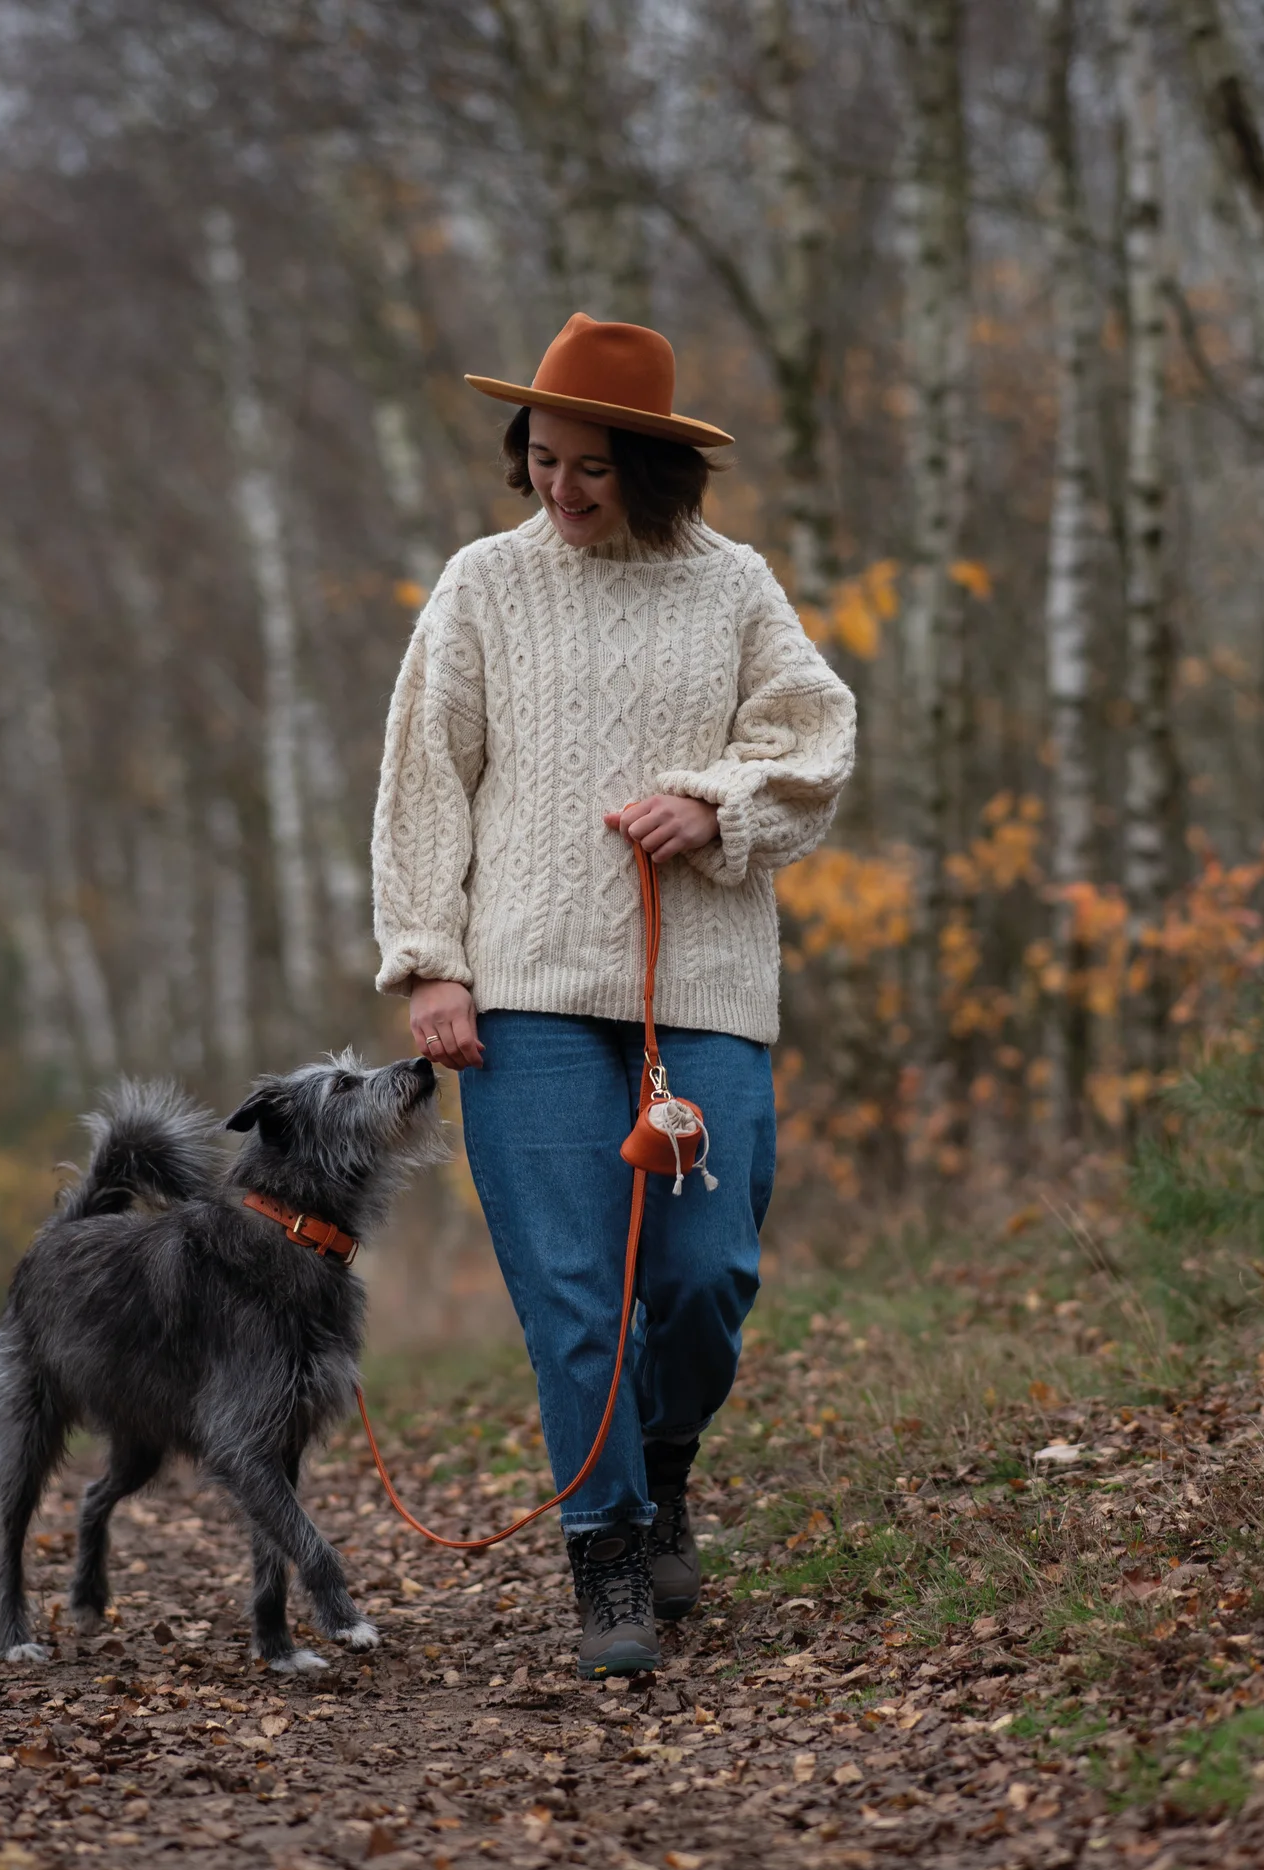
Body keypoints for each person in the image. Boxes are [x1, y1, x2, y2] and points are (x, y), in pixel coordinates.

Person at [370, 313, 856, 1679]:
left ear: (653, 467)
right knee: (578, 1295)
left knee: (706, 1280)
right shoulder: (482, 585)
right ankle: (609, 1556)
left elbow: (814, 738)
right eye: (542, 458)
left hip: (698, 984)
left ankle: (663, 1465)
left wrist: (715, 804)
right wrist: (433, 961)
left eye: (592, 466)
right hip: (522, 995)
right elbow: (423, 781)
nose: (562, 489)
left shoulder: (733, 585)